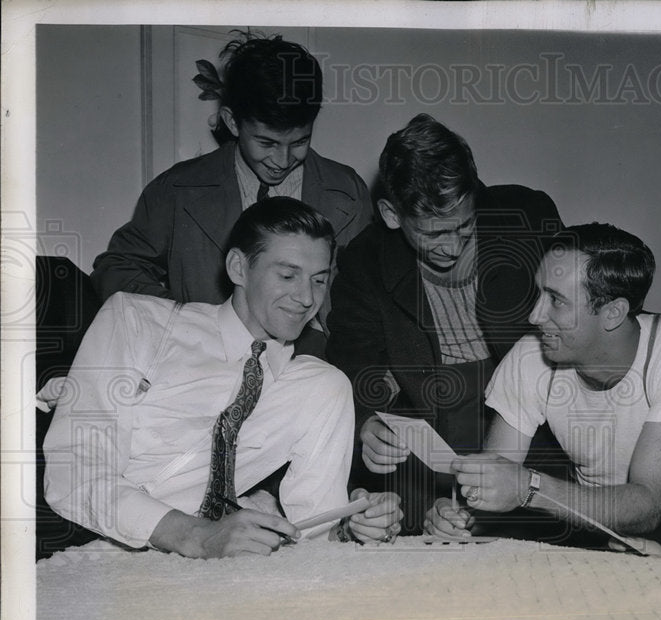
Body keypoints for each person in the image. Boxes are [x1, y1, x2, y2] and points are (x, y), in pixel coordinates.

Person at [45, 197, 401, 558]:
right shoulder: (136, 321)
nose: (307, 297)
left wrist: (352, 524)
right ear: (238, 268)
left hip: (200, 577)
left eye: (319, 280)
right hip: (76, 543)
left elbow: (313, 532)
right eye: (288, 275)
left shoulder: (322, 388)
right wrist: (197, 536)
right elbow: (72, 471)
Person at [425, 222, 661, 555]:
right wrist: (459, 515)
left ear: (613, 312)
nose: (534, 315)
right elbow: (497, 476)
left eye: (556, 301)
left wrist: (530, 488)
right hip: (583, 508)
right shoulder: (531, 354)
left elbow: (648, 503)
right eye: (539, 293)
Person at [326, 113, 563, 529]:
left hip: (532, 418)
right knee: (425, 534)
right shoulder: (364, 261)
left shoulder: (527, 215)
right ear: (391, 214)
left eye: (465, 226)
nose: (452, 247)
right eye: (433, 234)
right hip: (431, 425)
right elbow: (351, 361)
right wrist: (367, 423)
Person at [90, 34, 371, 355]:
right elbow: (116, 267)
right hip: (204, 365)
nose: (282, 161)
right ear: (232, 122)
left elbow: (370, 294)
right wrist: (182, 319)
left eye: (299, 142)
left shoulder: (348, 192)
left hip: (318, 369)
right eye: (266, 143)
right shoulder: (177, 189)